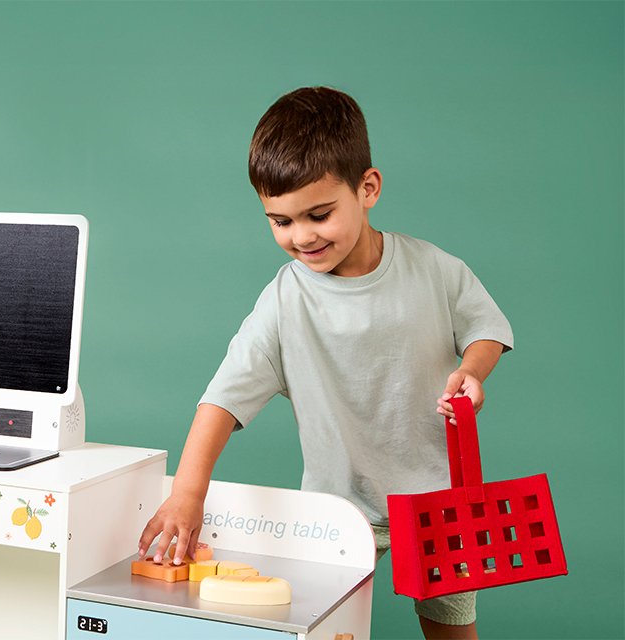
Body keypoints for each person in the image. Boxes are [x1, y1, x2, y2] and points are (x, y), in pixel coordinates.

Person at [137, 87, 513, 640]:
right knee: (326, 628)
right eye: (280, 222)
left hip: (436, 499)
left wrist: (473, 372)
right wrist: (187, 494)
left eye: (318, 215)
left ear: (368, 188)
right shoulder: (285, 300)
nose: (302, 237)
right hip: (337, 508)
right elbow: (223, 396)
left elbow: (487, 329)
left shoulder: (434, 268)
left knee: (451, 627)